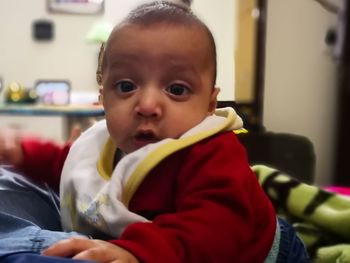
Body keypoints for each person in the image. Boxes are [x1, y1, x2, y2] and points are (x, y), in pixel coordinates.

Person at [0, 1, 309, 262]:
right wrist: (23, 152)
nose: (147, 104)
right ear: (102, 96)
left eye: (176, 89)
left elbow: (214, 230)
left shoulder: (212, 151)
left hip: (259, 250)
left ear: (210, 104)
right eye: (126, 86)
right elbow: (68, 165)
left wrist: (138, 253)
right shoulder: (106, 141)